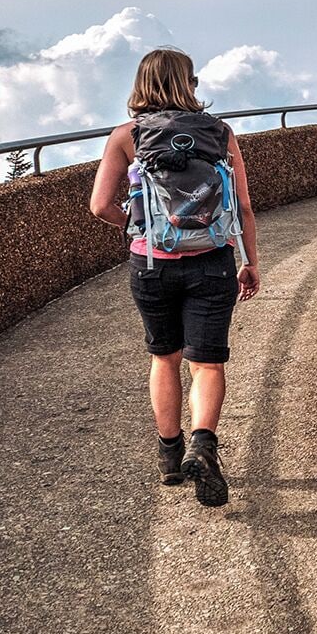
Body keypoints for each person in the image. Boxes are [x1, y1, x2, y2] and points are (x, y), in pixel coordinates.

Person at [89, 48, 261, 508]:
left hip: (152, 264)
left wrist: (141, 225)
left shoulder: (127, 136)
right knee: (207, 363)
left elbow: (100, 205)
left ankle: (170, 456)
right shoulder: (219, 133)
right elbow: (242, 206)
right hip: (212, 260)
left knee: (164, 358)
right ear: (190, 84)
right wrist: (251, 261)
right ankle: (205, 445)